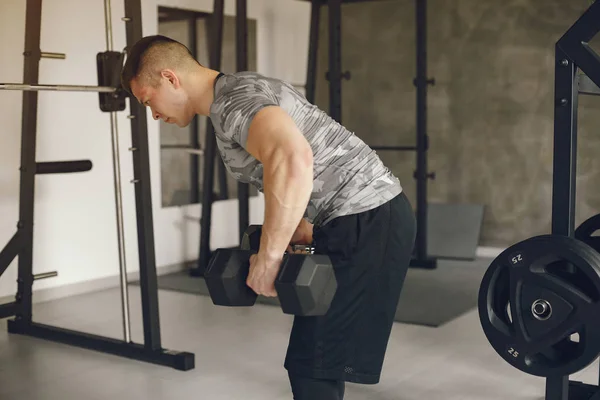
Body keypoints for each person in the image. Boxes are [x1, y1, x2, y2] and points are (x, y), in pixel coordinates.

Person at [121, 35, 416, 400]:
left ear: (170, 78)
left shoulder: (233, 102)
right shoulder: (239, 89)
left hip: (363, 218)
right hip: (361, 217)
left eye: (148, 100)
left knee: (314, 366)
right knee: (317, 364)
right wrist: (300, 231)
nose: (153, 114)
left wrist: (271, 255)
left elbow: (293, 158)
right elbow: (303, 163)